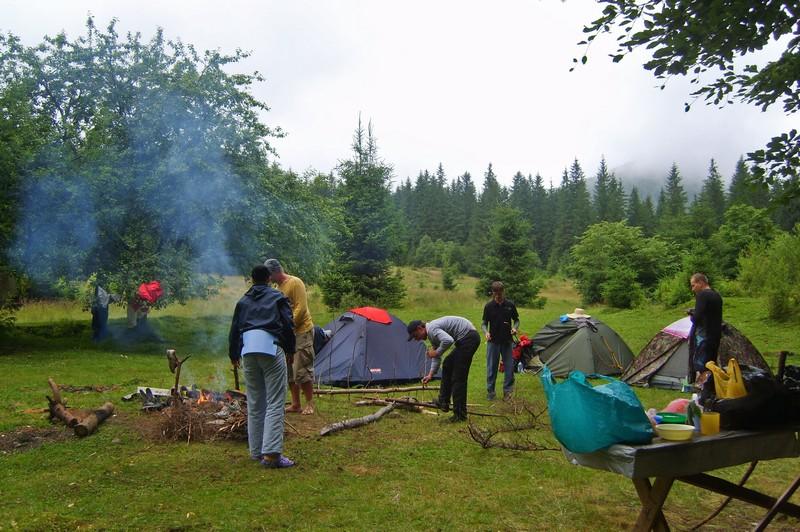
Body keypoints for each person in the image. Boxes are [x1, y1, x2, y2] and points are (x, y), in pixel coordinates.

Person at [228, 264, 296, 468]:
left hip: (247, 350)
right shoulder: (278, 297)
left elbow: (234, 328)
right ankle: (272, 455)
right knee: (275, 401)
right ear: (269, 279)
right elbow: (287, 324)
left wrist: (233, 353)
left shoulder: (243, 301)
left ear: (252, 279)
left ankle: (256, 451)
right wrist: (291, 349)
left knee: (256, 401)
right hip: (271, 347)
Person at [265, 258, 316, 415]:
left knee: (302, 368)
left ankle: (310, 404)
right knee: (289, 370)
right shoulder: (277, 287)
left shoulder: (295, 283)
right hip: (286, 334)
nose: (268, 279)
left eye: (269, 275)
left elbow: (301, 308)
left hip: (301, 331)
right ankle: (295, 404)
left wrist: (289, 326)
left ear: (275, 272)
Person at [408, 316, 480, 422]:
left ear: (420, 328)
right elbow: (436, 357)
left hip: (469, 338)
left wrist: (436, 352)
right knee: (447, 364)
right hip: (466, 339)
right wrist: (430, 375)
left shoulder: (432, 329)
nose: (416, 339)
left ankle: (460, 415)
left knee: (458, 378)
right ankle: (443, 401)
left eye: (415, 335)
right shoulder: (432, 335)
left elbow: (448, 340)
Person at [481, 281, 520, 401]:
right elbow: (483, 323)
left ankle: (507, 393)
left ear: (503, 291)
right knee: (491, 368)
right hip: (493, 342)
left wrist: (514, 328)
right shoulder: (488, 306)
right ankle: (491, 392)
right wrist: (486, 332)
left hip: (507, 342)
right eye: (496, 293)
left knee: (509, 368)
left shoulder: (510, 305)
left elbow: (517, 320)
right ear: (493, 292)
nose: (498, 295)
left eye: (500, 292)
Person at [688, 272, 723, 381]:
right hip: (715, 335)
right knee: (711, 363)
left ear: (701, 283)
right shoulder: (716, 295)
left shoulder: (702, 295)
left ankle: (703, 386)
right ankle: (712, 386)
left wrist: (692, 316)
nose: (693, 289)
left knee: (701, 363)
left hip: (704, 335)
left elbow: (697, 317)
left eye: (694, 285)